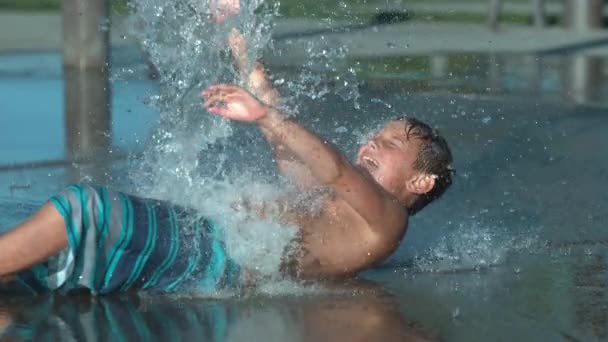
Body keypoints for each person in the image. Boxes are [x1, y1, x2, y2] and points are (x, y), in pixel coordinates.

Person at [0, 7, 453, 296]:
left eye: (391, 143)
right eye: (376, 135)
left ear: (420, 181)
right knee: (56, 254)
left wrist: (263, 118)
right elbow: (284, 137)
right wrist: (238, 38)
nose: (372, 142)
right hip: (206, 250)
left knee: (88, 210)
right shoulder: (330, 204)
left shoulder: (386, 221)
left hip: (219, 261)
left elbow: (334, 168)